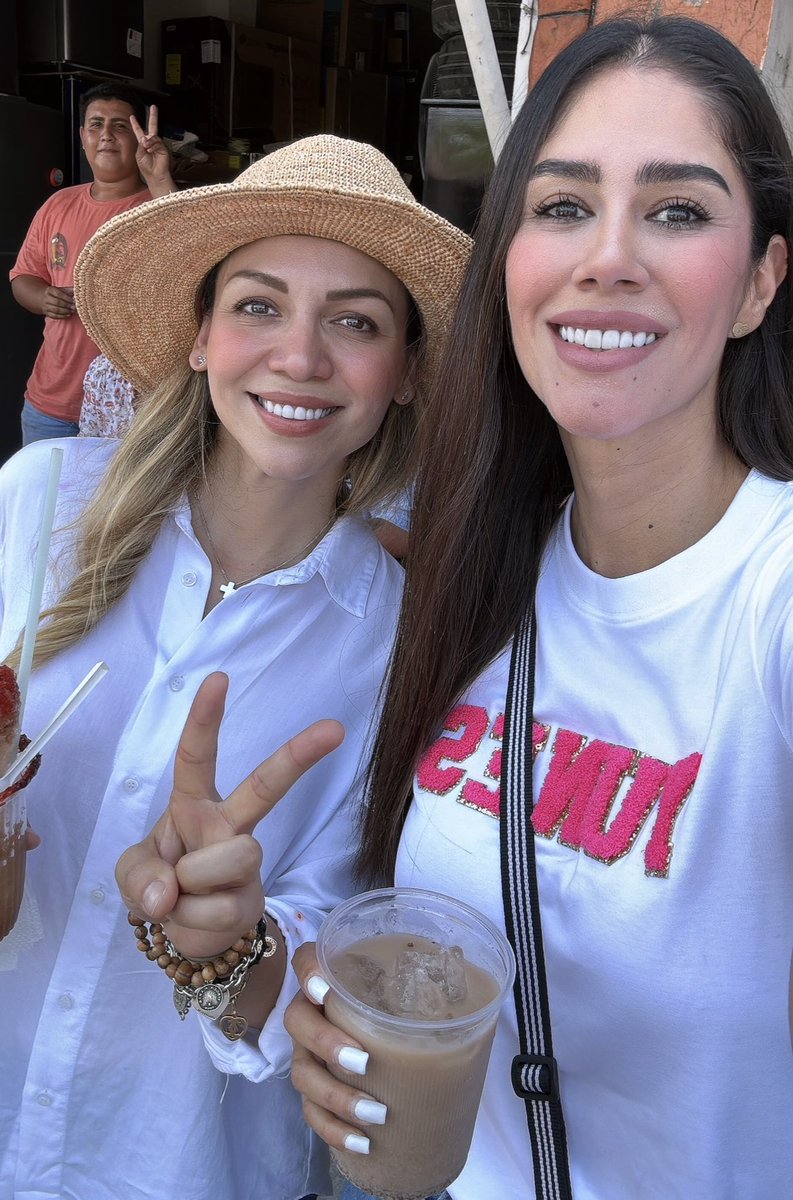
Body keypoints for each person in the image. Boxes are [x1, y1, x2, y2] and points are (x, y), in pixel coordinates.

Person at [284, 16, 793, 1199]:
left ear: (763, 281)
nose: (605, 257)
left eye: (676, 211)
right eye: (561, 207)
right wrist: (289, 997)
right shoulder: (469, 573)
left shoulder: (768, 602)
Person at [0, 135, 470, 1200]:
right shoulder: (35, 506)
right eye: (258, 305)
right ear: (202, 338)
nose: (299, 357)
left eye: (354, 321)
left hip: (173, 1165)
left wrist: (232, 941)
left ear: (400, 377)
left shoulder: (404, 647)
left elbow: (301, 994)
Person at [9, 82, 175, 445]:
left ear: (139, 137)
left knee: (122, 504)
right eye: (96, 125)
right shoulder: (58, 205)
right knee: (48, 503)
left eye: (120, 126)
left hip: (133, 409)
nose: (107, 136)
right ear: (83, 137)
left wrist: (160, 179)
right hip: (50, 404)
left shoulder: (159, 206)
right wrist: (44, 298)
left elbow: (192, 263)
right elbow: (23, 276)